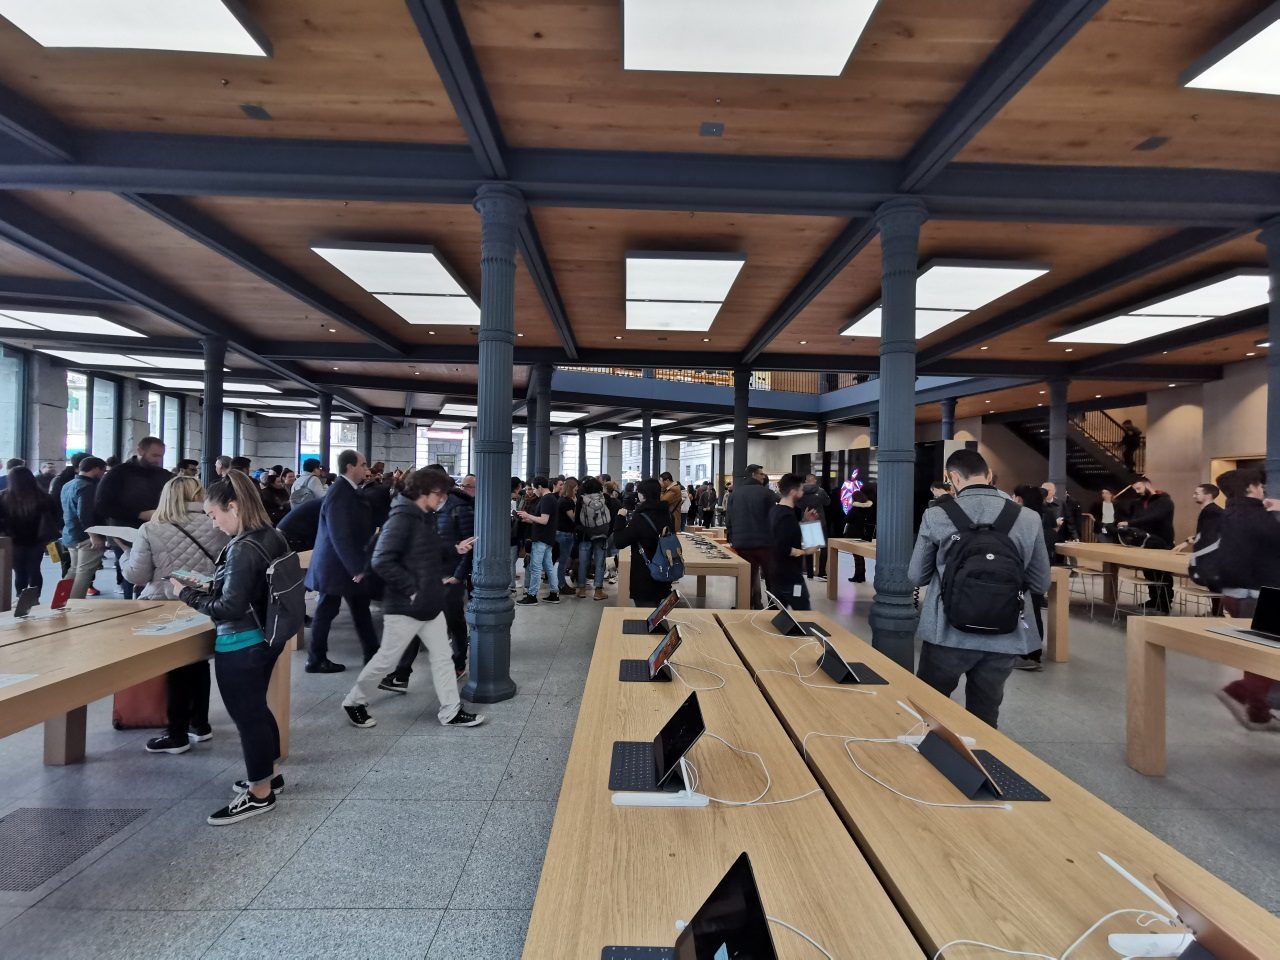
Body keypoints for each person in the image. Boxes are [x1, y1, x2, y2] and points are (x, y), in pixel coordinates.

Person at [171, 471, 292, 825]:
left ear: (233, 507)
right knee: (258, 709)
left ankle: (259, 793)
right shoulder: (272, 536)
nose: (213, 523)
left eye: (213, 515)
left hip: (240, 642)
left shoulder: (242, 547)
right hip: (267, 635)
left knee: (247, 716)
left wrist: (187, 593)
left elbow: (228, 608)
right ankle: (269, 773)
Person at [909, 449, 1050, 728]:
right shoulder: (1028, 517)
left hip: (946, 631)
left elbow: (917, 576)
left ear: (953, 478)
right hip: (1005, 633)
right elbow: (1040, 582)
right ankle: (983, 765)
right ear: (988, 475)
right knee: (985, 715)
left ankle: (926, 764)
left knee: (930, 710)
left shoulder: (937, 515)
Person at [343, 467, 483, 728]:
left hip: (428, 602)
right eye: (439, 494)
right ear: (424, 492)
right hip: (405, 606)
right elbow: (381, 560)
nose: (442, 499)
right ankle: (354, 701)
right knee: (387, 659)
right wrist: (412, 588)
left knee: (442, 657)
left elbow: (428, 549)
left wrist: (454, 549)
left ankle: (451, 711)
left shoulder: (422, 516)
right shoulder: (401, 519)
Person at [120, 476, 229, 754]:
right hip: (205, 601)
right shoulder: (216, 522)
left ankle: (176, 732)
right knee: (199, 661)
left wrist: (124, 555)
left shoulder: (152, 528)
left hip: (165, 603)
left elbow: (138, 575)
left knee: (176, 668)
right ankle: (200, 724)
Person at [1212, 468, 1280, 730]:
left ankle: (1258, 711)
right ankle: (1238, 691)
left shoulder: (1228, 514)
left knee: (1258, 652)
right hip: (1259, 593)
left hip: (1235, 593)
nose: (1264, 489)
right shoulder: (1258, 517)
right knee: (1267, 653)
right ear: (1252, 487)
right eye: (1261, 485)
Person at [305, 449, 378, 672]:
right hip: (338, 566)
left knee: (358, 608)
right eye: (363, 464)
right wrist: (356, 567)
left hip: (340, 565)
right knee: (329, 611)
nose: (367, 469)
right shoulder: (341, 493)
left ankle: (372, 654)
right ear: (350, 467)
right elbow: (340, 534)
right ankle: (316, 659)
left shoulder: (347, 490)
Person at [1011, 484, 1055, 673]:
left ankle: (1027, 654)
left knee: (1025, 614)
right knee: (1034, 612)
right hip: (1038, 573)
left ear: (1019, 499)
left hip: (1025, 576)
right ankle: (1034, 652)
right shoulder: (1045, 515)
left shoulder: (1022, 519)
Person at [612, 477, 674, 607]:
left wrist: (620, 518)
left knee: (646, 616)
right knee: (657, 615)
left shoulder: (641, 518)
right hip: (663, 572)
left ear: (643, 495)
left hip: (645, 575)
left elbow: (619, 542)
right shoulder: (667, 514)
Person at [1117, 475, 1175, 612]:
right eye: (1135, 489)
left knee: (1162, 573)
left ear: (1147, 484)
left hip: (1162, 541)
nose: (1137, 492)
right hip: (1145, 541)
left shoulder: (1164, 501)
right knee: (1149, 572)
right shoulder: (1138, 502)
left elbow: (1154, 517)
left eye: (1139, 488)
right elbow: (1134, 517)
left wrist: (1130, 523)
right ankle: (1153, 599)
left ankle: (1165, 602)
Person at [0, 466, 58, 596]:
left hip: (13, 540)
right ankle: (34, 598)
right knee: (35, 570)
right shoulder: (44, 497)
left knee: (20, 572)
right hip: (38, 539)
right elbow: (55, 517)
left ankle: (20, 597)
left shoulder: (4, 497)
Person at [725, 464, 775, 609]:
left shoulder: (735, 494)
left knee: (747, 577)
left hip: (743, 543)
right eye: (761, 474)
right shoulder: (767, 494)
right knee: (771, 578)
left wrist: (732, 538)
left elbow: (729, 519)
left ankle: (746, 605)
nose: (763, 476)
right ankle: (773, 607)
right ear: (753, 475)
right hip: (764, 543)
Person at [768, 474, 820, 610]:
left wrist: (806, 522)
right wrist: (803, 551)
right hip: (790, 576)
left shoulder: (775, 511)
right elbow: (782, 547)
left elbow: (789, 536)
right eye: (801, 489)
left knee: (776, 616)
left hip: (776, 574)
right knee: (804, 617)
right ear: (793, 492)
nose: (803, 492)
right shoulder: (786, 516)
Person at [61, 456, 107, 599]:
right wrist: (94, 535)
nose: (103, 474)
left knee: (74, 569)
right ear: (95, 469)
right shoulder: (87, 487)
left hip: (70, 533)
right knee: (84, 572)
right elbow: (85, 514)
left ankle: (60, 599)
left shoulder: (67, 485)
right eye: (102, 470)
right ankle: (75, 604)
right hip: (86, 537)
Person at [516, 476, 561, 604]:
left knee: (535, 568)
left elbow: (544, 520)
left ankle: (532, 595)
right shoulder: (550, 498)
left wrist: (527, 515)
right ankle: (554, 593)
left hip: (541, 538)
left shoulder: (546, 499)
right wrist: (528, 519)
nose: (534, 491)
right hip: (547, 538)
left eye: (535, 488)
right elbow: (543, 520)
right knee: (548, 567)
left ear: (540, 487)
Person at [576, 477, 611, 601]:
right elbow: (611, 516)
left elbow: (576, 519)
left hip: (585, 536)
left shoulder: (581, 500)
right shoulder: (605, 498)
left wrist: (584, 530)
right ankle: (598, 591)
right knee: (600, 563)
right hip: (601, 536)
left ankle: (581, 590)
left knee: (583, 563)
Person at [1174, 483, 1223, 555]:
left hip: (1210, 555)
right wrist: (1187, 541)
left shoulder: (1211, 511)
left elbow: (1209, 535)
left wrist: (1190, 541)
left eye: (1197, 494)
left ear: (1208, 496)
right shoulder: (1211, 510)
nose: (1193, 496)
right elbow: (1206, 532)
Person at [798, 473, 830, 581]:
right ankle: (822, 572)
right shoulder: (820, 491)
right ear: (815, 480)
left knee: (809, 547)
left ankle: (810, 573)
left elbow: (798, 505)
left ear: (806, 481)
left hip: (807, 520)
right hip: (820, 521)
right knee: (823, 547)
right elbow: (827, 502)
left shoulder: (801, 491)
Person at [845, 486, 876, 584]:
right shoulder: (869, 508)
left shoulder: (855, 509)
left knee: (857, 555)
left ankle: (858, 575)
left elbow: (848, 519)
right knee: (860, 555)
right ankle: (860, 575)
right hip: (865, 534)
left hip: (854, 533)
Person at [1040, 480, 1081, 548]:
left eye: (1048, 490)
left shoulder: (1061, 503)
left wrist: (1075, 537)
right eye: (1044, 490)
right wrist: (1055, 523)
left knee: (1059, 558)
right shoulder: (1038, 504)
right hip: (1044, 540)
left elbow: (1070, 522)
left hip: (1059, 539)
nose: (1046, 493)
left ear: (1054, 491)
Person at [555, 477, 578, 593]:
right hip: (565, 534)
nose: (576, 491)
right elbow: (573, 518)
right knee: (563, 561)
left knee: (563, 560)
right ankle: (562, 584)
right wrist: (576, 504)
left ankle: (561, 583)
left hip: (561, 533)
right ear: (570, 489)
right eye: (575, 489)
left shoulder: (561, 499)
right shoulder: (567, 502)